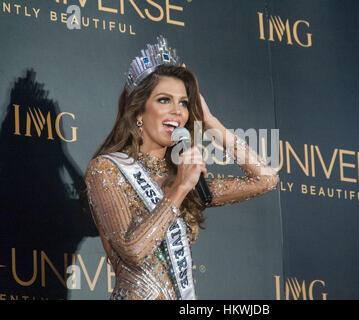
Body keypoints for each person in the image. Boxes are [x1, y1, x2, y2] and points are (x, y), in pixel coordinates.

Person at [84, 36, 279, 300]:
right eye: (164, 100)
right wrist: (179, 190)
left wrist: (211, 122)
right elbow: (133, 251)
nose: (178, 111)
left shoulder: (183, 177)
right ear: (139, 111)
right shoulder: (106, 170)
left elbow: (266, 180)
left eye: (184, 103)